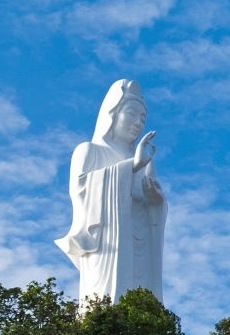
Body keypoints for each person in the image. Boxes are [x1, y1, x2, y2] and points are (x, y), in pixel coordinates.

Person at [55, 79, 166, 306]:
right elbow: (81, 191)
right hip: (107, 247)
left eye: (142, 119)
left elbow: (152, 202)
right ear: (112, 113)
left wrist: (156, 200)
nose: (137, 123)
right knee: (104, 306)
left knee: (141, 307)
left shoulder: (144, 162)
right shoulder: (89, 151)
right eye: (132, 114)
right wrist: (130, 168)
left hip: (139, 243)